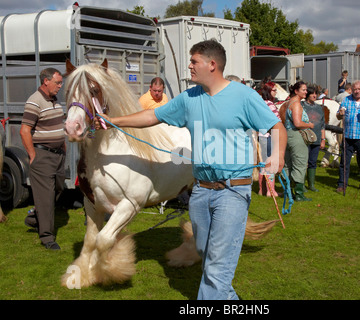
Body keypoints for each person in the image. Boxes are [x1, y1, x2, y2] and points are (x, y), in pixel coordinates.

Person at [95, 39, 287, 300]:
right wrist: (113, 120)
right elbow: (153, 116)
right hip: (200, 193)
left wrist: (277, 156)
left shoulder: (244, 96)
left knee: (217, 268)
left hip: (233, 191)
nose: (190, 66)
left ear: (212, 64)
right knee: (208, 256)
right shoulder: (189, 98)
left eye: (194, 61)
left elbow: (276, 127)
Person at [20, 68, 66, 250]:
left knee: (59, 189)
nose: (60, 86)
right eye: (58, 83)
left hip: (58, 155)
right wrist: (33, 156)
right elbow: (25, 131)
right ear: (46, 81)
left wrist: (63, 146)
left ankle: (34, 217)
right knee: (46, 197)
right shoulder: (34, 101)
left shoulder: (55, 100)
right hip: (43, 156)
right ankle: (47, 237)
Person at [279, 81, 313, 201]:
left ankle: (288, 192)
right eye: (303, 90)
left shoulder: (288, 103)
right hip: (296, 136)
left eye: (306, 90)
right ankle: (299, 194)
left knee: (288, 164)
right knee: (300, 163)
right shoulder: (296, 104)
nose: (306, 92)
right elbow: (298, 123)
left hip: (287, 135)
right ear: (296, 91)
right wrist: (309, 124)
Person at [258, 81, 281, 197]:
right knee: (271, 164)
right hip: (269, 137)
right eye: (274, 90)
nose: (276, 92)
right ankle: (271, 191)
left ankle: (261, 190)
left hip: (261, 136)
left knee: (263, 163)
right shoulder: (270, 105)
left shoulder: (261, 103)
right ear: (268, 91)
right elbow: (276, 121)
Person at [302, 85, 326, 192]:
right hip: (304, 138)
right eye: (312, 93)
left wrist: (323, 139)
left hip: (316, 139)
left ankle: (311, 184)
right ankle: (301, 184)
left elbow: (322, 125)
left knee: (313, 162)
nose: (315, 95)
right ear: (307, 94)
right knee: (303, 162)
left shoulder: (319, 108)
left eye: (316, 93)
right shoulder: (301, 106)